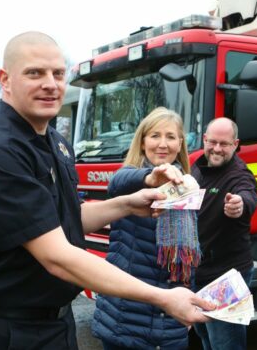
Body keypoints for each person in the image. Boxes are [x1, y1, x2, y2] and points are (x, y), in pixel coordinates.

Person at [0, 32, 212, 350]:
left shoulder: (58, 144)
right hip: (6, 331)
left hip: (56, 324)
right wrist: (162, 297)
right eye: (35, 73)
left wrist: (128, 204)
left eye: (58, 73)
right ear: (5, 80)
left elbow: (67, 218)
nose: (50, 83)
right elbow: (57, 257)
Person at [92, 107, 201, 349]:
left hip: (170, 323)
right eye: (155, 136)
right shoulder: (131, 178)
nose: (163, 144)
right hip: (125, 319)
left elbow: (188, 259)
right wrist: (151, 177)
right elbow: (117, 183)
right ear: (142, 143)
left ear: (180, 143)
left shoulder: (188, 185)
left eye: (171, 137)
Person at [191, 117, 257, 350]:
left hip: (226, 277)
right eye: (212, 142)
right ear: (204, 140)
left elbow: (247, 195)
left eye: (224, 144)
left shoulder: (239, 174)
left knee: (225, 345)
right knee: (206, 340)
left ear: (236, 144)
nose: (217, 149)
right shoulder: (197, 167)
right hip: (199, 272)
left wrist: (240, 204)